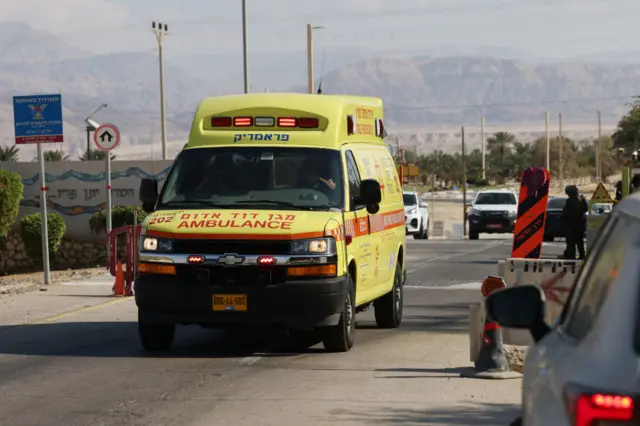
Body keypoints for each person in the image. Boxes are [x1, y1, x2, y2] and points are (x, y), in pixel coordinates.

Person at [561, 185, 586, 260]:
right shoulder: (580, 201)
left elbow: (566, 213)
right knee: (579, 242)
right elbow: (585, 209)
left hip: (571, 226)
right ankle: (582, 256)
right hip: (579, 226)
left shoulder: (570, 202)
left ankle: (571, 256)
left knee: (571, 243)